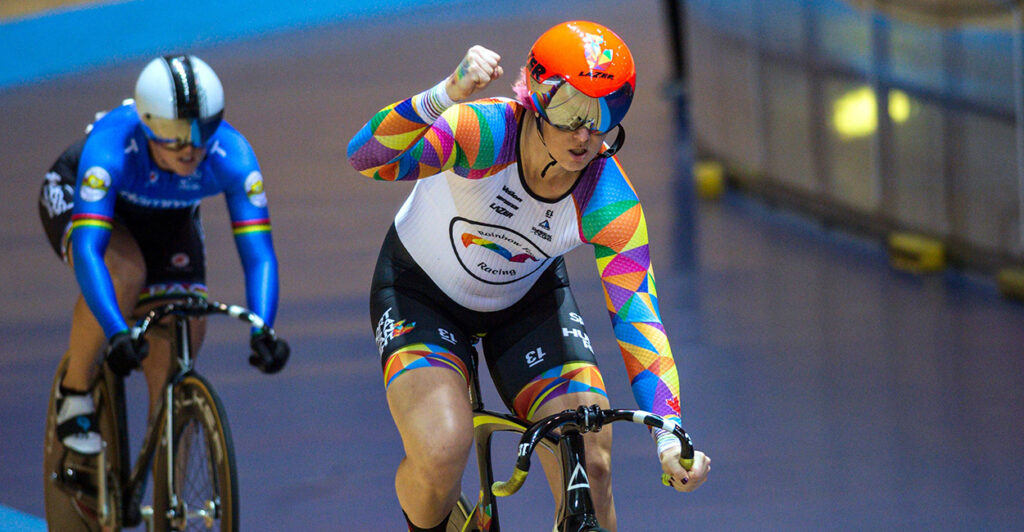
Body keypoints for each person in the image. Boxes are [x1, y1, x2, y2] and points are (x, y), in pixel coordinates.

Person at [347, 20, 710, 531]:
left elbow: (639, 318)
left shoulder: (609, 200)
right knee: (441, 453)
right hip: (420, 292)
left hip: (527, 304)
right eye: (570, 112)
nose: (585, 135)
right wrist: (443, 96)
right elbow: (367, 158)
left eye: (603, 115)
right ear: (538, 97)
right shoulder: (485, 133)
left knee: (592, 457)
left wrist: (670, 432)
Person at [38, 54, 290, 456]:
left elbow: (259, 255)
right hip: (88, 203)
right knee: (124, 274)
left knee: (184, 329)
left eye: (202, 129)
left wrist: (263, 326)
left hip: (166, 216)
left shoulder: (236, 157)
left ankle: (164, 470)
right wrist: (116, 330)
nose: (190, 146)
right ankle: (76, 391)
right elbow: (89, 250)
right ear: (147, 123)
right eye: (174, 133)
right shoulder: (110, 150)